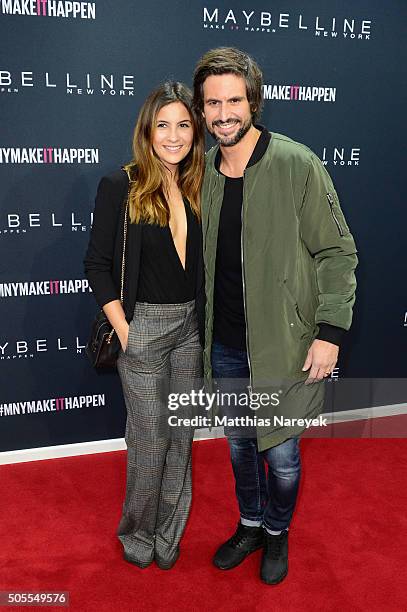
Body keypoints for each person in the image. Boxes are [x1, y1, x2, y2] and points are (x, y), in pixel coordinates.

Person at [193, 48, 358, 585]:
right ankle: (250, 523)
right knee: (241, 446)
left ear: (253, 102)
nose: (223, 113)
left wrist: (330, 332)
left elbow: (337, 252)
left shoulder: (295, 162)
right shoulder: (204, 172)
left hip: (284, 343)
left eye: (233, 100)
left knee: (282, 457)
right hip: (225, 343)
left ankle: (278, 532)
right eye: (213, 102)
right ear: (201, 108)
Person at [84, 82, 205, 570]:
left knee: (181, 436)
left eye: (183, 125)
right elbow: (97, 264)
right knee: (150, 437)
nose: (173, 136)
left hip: (192, 326)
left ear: (194, 131)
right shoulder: (123, 185)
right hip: (144, 327)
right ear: (147, 130)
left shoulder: (202, 185)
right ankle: (137, 532)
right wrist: (127, 330)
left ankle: (168, 532)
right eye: (163, 125)